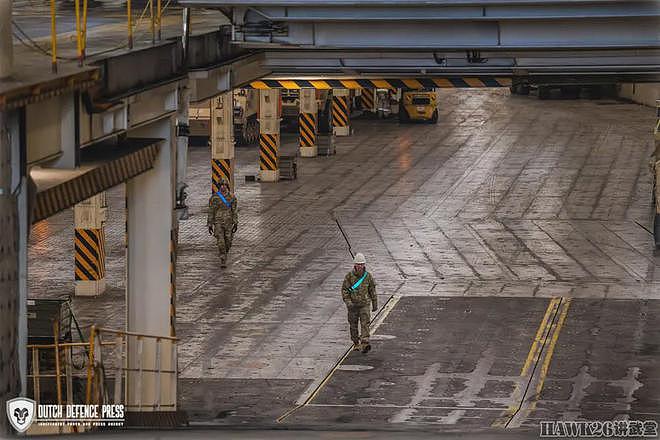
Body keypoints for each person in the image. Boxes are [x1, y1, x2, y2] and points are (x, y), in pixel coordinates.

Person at [341, 253, 377, 353]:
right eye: (358, 264)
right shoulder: (349, 277)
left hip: (364, 304)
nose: (360, 266)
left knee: (365, 323)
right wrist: (348, 302)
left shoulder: (368, 277)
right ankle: (356, 342)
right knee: (353, 325)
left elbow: (372, 290)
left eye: (362, 264)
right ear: (355, 265)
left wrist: (375, 303)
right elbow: (345, 290)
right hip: (352, 305)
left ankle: (365, 342)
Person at [207, 180, 238, 268]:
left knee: (228, 241)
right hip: (218, 222)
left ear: (227, 186)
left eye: (224, 185)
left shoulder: (232, 197)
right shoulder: (214, 197)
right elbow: (211, 211)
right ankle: (223, 258)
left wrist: (235, 222)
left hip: (228, 222)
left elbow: (234, 210)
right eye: (221, 185)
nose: (223, 187)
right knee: (221, 241)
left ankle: (225, 252)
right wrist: (210, 224)